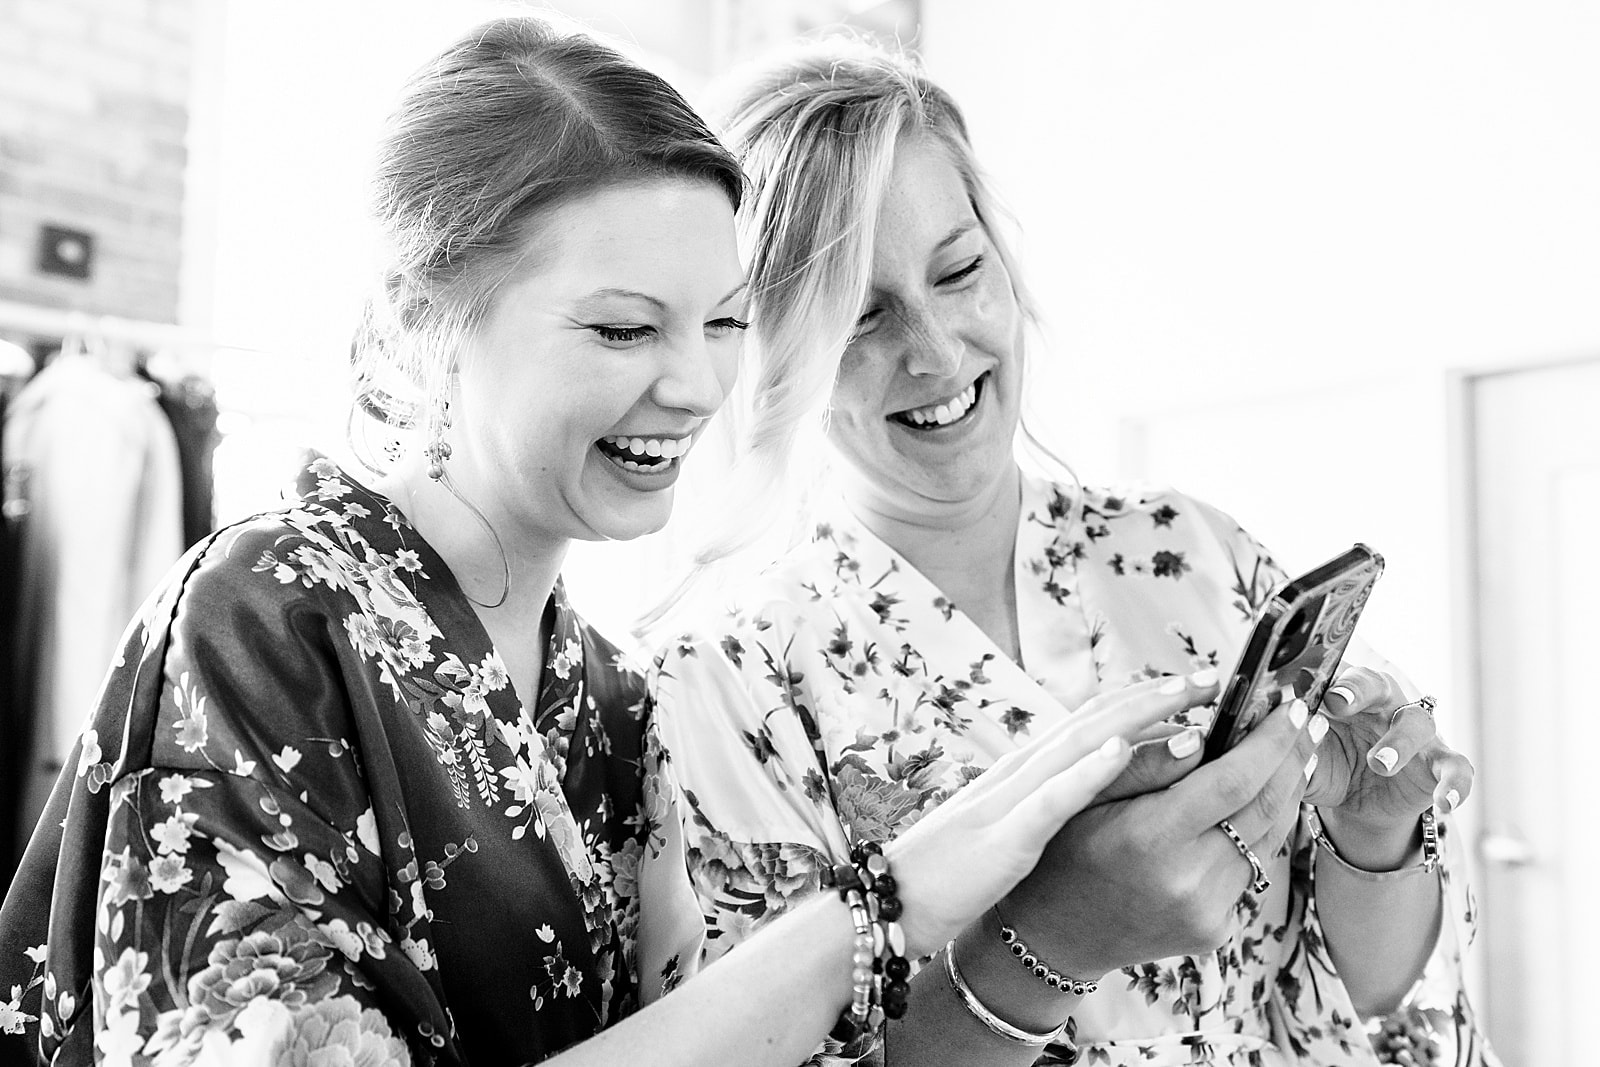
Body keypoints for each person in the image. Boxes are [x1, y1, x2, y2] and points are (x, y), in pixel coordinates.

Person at [0, 18, 1215, 1067]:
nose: (694, 385)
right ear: (427, 321)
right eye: (625, 329)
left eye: (724, 323)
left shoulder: (615, 701)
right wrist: (890, 900)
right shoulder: (269, 616)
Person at [640, 39, 1498, 1067]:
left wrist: (1375, 837)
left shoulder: (1192, 552)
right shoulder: (722, 687)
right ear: (764, 349)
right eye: (861, 317)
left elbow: (1371, 1006)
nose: (938, 351)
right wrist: (1052, 939)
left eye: (959, 271)